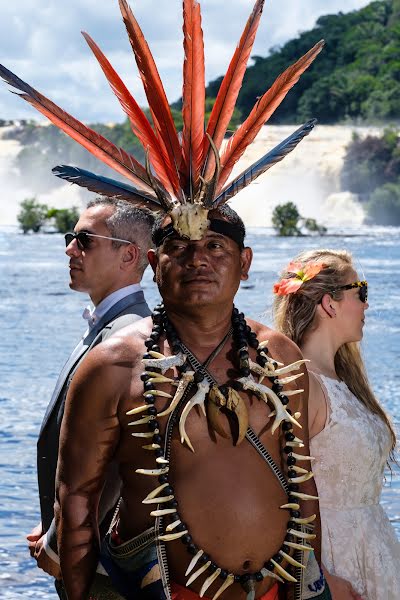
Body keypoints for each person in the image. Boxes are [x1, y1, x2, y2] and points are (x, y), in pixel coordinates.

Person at [54, 206, 330, 600]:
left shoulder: (279, 355)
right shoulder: (110, 366)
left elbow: (302, 480)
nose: (198, 259)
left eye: (216, 246)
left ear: (245, 262)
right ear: (154, 263)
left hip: (276, 589)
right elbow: (76, 499)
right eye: (179, 247)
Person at [26, 196, 153, 599]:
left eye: (84, 240)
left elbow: (117, 458)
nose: (69, 249)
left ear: (129, 255)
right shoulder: (109, 324)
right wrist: (53, 523)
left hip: (101, 568)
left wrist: (59, 543)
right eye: (71, 238)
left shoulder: (127, 334)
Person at [273, 249, 400, 600]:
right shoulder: (303, 383)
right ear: (329, 304)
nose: (366, 306)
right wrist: (321, 576)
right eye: (362, 293)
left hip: (374, 546)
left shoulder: (344, 381)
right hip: (334, 558)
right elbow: (278, 490)